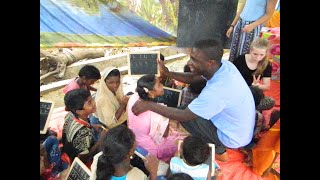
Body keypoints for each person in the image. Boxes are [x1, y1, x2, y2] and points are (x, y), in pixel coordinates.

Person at [131, 39, 256, 162]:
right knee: (187, 110)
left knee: (183, 113)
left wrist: (148, 105)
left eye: (194, 60)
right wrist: (168, 73)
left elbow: (185, 116)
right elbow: (194, 78)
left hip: (232, 137)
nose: (189, 62)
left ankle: (218, 150)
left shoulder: (216, 91)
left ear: (210, 62)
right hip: (240, 127)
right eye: (191, 57)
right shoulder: (224, 66)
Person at [127, 74, 184, 162]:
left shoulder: (133, 98)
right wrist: (167, 120)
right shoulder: (158, 113)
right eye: (159, 85)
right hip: (152, 149)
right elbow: (164, 134)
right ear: (151, 92)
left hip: (135, 140)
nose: (162, 86)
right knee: (183, 141)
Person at [90, 125, 159, 180]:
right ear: (131, 152)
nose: (136, 141)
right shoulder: (138, 176)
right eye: (135, 140)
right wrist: (153, 173)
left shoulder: (98, 158)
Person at [61, 89, 107, 165]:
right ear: (79, 111)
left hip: (68, 147)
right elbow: (83, 158)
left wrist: (92, 126)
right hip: (76, 158)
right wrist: (100, 141)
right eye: (89, 103)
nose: (94, 103)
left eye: (92, 99)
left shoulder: (70, 115)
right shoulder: (83, 133)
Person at [233, 37, 275, 111]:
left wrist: (257, 86)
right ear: (250, 51)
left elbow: (266, 86)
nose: (258, 57)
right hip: (238, 90)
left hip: (254, 93)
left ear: (265, 54)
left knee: (271, 102)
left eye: (261, 55)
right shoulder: (240, 60)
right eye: (255, 54)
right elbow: (231, 78)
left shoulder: (267, 65)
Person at [89, 67, 131, 141]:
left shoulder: (115, 90)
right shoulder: (103, 98)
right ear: (104, 82)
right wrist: (123, 105)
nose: (115, 85)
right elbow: (110, 122)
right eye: (111, 83)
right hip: (103, 125)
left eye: (117, 82)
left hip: (112, 119)